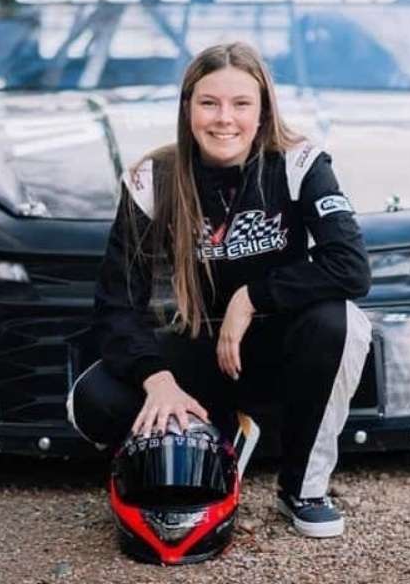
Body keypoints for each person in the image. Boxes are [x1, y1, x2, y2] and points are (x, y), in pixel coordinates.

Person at [67, 41, 372, 538]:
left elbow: (351, 268)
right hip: (196, 350)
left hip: (276, 354)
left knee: (340, 321)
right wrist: (156, 379)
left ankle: (303, 487)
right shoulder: (153, 179)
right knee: (93, 402)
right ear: (188, 108)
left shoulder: (299, 165)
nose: (223, 119)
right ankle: (215, 431)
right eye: (208, 103)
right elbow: (116, 305)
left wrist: (250, 298)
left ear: (263, 110)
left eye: (241, 104)